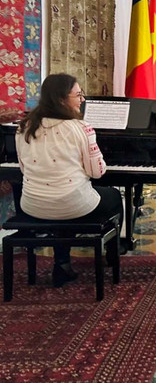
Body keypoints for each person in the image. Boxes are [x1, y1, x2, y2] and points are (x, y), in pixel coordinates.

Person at [15, 73, 123, 287]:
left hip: (32, 204)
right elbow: (97, 172)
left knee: (65, 198)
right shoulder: (80, 128)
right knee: (113, 196)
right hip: (73, 204)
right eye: (78, 95)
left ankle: (62, 263)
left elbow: (23, 168)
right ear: (62, 99)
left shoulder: (24, 127)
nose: (82, 100)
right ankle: (112, 258)